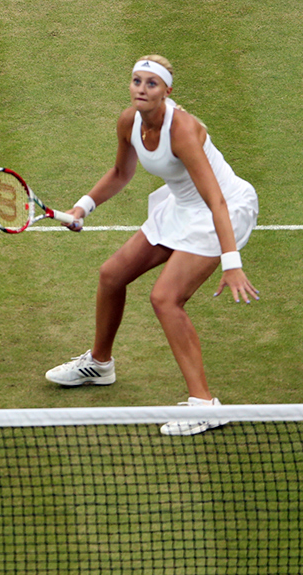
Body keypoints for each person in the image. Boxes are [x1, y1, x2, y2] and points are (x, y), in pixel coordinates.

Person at [44, 55, 260, 436]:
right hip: (180, 206)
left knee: (165, 298)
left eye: (151, 84)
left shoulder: (184, 131)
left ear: (167, 91)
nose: (141, 90)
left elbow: (217, 202)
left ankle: (205, 405)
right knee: (112, 275)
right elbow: (120, 172)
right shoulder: (129, 121)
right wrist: (83, 207)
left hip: (220, 211)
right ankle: (99, 363)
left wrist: (232, 262)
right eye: (136, 81)